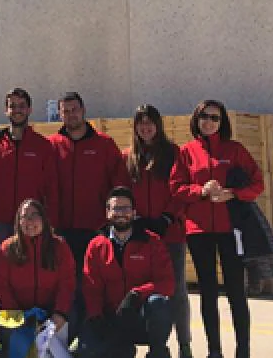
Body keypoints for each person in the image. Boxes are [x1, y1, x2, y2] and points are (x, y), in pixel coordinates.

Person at [170, 101, 264, 358]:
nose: (209, 122)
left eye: (215, 117)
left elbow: (258, 183)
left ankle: (242, 350)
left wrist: (232, 194)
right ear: (196, 119)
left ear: (222, 122)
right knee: (208, 292)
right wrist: (200, 191)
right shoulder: (187, 152)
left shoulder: (235, 150)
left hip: (230, 230)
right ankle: (214, 351)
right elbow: (176, 188)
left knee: (236, 290)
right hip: (199, 231)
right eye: (204, 117)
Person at [48, 91, 130, 323]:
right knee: (65, 285)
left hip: (95, 229)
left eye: (75, 109)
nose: (71, 115)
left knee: (93, 284)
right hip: (61, 229)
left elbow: (119, 185)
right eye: (66, 111)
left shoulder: (104, 144)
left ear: (83, 111)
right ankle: (67, 335)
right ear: (60, 114)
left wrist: (111, 222)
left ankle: (92, 332)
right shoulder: (52, 146)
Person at [77, 187, 174, 358]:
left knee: (159, 303)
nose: (121, 213)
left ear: (134, 212)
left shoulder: (152, 241)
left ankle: (158, 351)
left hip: (139, 317)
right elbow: (91, 287)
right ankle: (120, 348)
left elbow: (167, 282)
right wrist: (96, 316)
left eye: (126, 208)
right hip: (109, 318)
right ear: (107, 213)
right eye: (116, 208)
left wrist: (137, 294)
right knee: (87, 352)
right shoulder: (96, 245)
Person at [127, 104, 191, 358]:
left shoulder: (173, 153)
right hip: (141, 235)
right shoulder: (128, 157)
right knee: (141, 291)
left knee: (176, 291)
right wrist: (137, 219)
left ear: (158, 125)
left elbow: (182, 188)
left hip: (171, 233)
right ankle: (151, 343)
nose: (146, 128)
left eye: (150, 122)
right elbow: (122, 192)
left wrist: (167, 216)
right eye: (141, 123)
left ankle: (184, 345)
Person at [0, 199, 74, 357]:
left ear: (43, 219)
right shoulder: (7, 248)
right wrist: (18, 316)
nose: (29, 221)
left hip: (51, 312)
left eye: (34, 215)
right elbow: (1, 286)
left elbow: (67, 283)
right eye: (24, 216)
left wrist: (60, 313)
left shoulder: (60, 247)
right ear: (18, 221)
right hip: (18, 313)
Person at [0, 89, 58, 244]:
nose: (17, 110)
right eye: (12, 106)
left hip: (33, 221)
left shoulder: (42, 146)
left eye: (22, 106)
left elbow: (51, 188)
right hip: (2, 223)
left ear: (29, 110)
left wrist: (50, 222)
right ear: (6, 110)